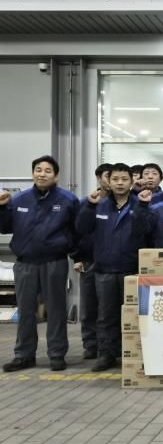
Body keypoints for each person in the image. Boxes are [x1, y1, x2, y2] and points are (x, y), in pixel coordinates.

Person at [0, 156, 80, 372]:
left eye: (47, 170)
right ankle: (24, 355)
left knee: (56, 310)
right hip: (25, 263)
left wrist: (75, 254)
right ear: (33, 173)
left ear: (56, 175)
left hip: (54, 262)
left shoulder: (68, 200)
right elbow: (4, 228)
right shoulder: (19, 199)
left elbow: (77, 231)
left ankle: (56, 354)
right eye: (38, 170)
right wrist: (2, 208)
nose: (42, 174)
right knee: (26, 311)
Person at [76, 163, 143, 371]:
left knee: (135, 315)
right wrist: (89, 206)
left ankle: (133, 353)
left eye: (124, 179)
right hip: (104, 270)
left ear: (131, 182)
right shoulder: (98, 204)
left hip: (132, 271)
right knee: (105, 316)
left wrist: (143, 207)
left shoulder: (139, 204)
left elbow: (148, 231)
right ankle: (106, 354)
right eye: (115, 179)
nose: (120, 183)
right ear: (108, 181)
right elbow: (81, 229)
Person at [71, 163, 114, 361]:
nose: (112, 181)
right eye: (108, 176)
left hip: (111, 262)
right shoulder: (86, 202)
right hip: (89, 261)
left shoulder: (121, 203)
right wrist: (77, 257)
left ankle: (110, 346)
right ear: (99, 178)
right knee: (89, 307)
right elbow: (76, 232)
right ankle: (90, 345)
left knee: (109, 308)